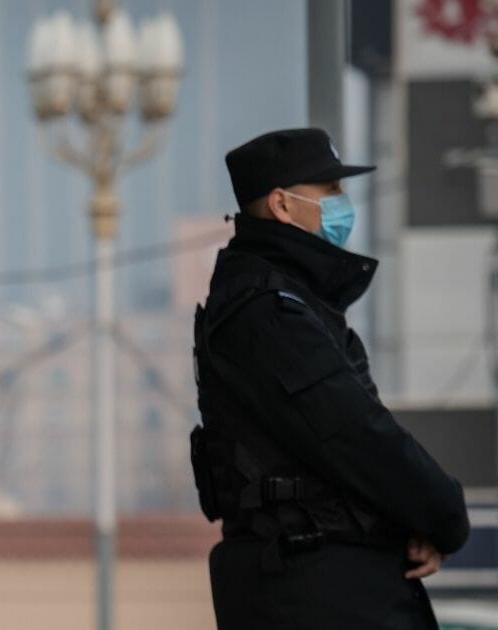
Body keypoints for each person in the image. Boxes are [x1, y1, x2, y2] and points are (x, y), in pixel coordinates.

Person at [190, 128, 470, 629]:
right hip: (312, 585)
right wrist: (443, 514)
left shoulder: (290, 301)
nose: (343, 204)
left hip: (323, 577)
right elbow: (353, 434)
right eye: (330, 192)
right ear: (281, 204)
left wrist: (408, 519)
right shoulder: (268, 313)